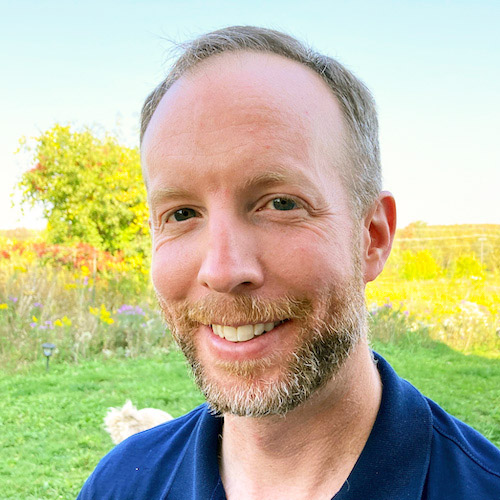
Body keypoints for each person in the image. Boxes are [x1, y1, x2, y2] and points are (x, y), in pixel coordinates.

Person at [77, 26, 500, 499]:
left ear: (372, 237)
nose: (222, 271)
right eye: (181, 214)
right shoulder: (119, 484)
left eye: (280, 204)